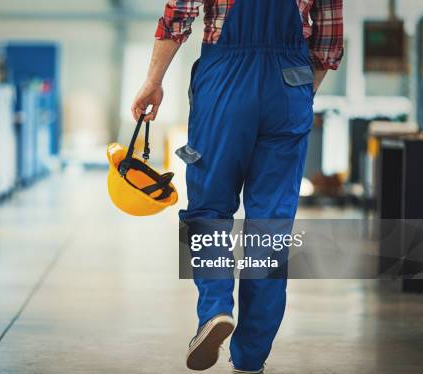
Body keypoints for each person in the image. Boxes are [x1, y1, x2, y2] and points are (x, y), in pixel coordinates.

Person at [130, 0, 344, 372]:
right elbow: (328, 42)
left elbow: (178, 17)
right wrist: (296, 92)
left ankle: (215, 308)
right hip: (290, 82)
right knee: (271, 225)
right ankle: (251, 355)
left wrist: (153, 82)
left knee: (209, 209)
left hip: (225, 81)